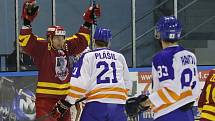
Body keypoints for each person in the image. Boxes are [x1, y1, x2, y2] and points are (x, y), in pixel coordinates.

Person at [18, 0, 100, 121]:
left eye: (62, 37)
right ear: (49, 38)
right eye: (57, 38)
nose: (60, 41)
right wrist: (26, 22)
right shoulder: (43, 47)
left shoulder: (66, 46)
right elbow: (25, 41)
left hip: (63, 101)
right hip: (46, 100)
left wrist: (87, 23)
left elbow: (81, 40)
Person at [125, 16, 200, 121]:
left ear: (160, 33)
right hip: (187, 114)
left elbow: (171, 91)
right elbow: (195, 91)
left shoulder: (162, 57)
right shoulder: (190, 56)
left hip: (168, 114)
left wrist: (143, 104)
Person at [52, 27, 132, 121]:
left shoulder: (88, 56)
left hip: (96, 106)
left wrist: (68, 102)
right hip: (118, 106)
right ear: (109, 42)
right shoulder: (119, 57)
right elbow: (128, 85)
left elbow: (78, 83)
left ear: (94, 41)